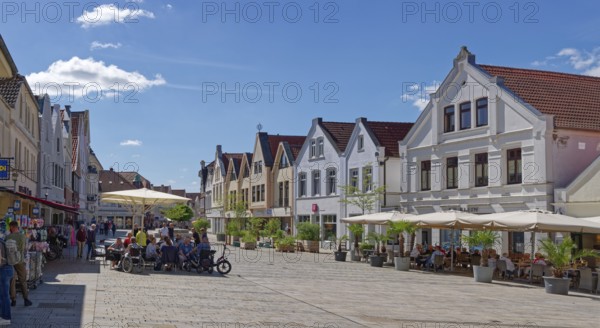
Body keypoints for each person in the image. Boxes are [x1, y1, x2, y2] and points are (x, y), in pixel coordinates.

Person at [7, 221, 32, 307]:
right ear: (17, 227)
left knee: (12, 281)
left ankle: (13, 300)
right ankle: (26, 299)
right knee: (22, 280)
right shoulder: (22, 236)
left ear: (12, 227)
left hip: (10, 261)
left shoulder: (8, 236)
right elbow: (25, 248)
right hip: (20, 261)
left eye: (10, 227)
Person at [0, 236, 14, 325]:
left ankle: (5, 318)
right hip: (8, 269)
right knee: (4, 294)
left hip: (3, 270)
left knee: (4, 295)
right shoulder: (2, 241)